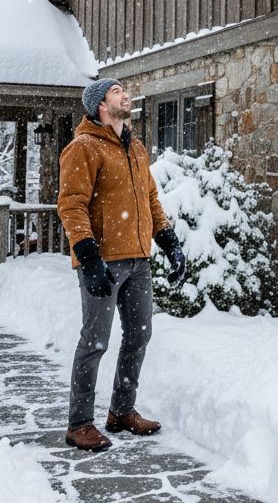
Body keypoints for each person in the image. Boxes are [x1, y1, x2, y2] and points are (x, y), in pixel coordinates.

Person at [58, 78, 186, 452]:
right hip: (102, 262)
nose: (124, 94)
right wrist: (88, 256)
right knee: (95, 341)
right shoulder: (82, 148)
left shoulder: (136, 148)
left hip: (138, 260)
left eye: (123, 90)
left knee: (139, 335)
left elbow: (149, 199)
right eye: (116, 92)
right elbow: (71, 205)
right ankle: (79, 423)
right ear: (100, 105)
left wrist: (169, 242)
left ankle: (121, 411)